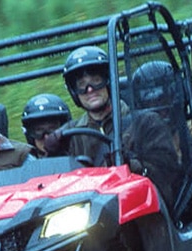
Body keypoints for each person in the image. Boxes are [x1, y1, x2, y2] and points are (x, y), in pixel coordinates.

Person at [45, 46, 178, 201]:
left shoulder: (146, 122)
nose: (90, 90)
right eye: (81, 85)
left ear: (109, 81)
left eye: (96, 81)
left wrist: (130, 165)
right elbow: (52, 187)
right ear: (74, 92)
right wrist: (51, 154)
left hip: (140, 207)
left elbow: (167, 174)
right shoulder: (68, 135)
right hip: (88, 214)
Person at [21, 93, 71, 158]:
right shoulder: (25, 163)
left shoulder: (81, 151)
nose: (47, 137)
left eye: (53, 129)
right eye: (39, 130)